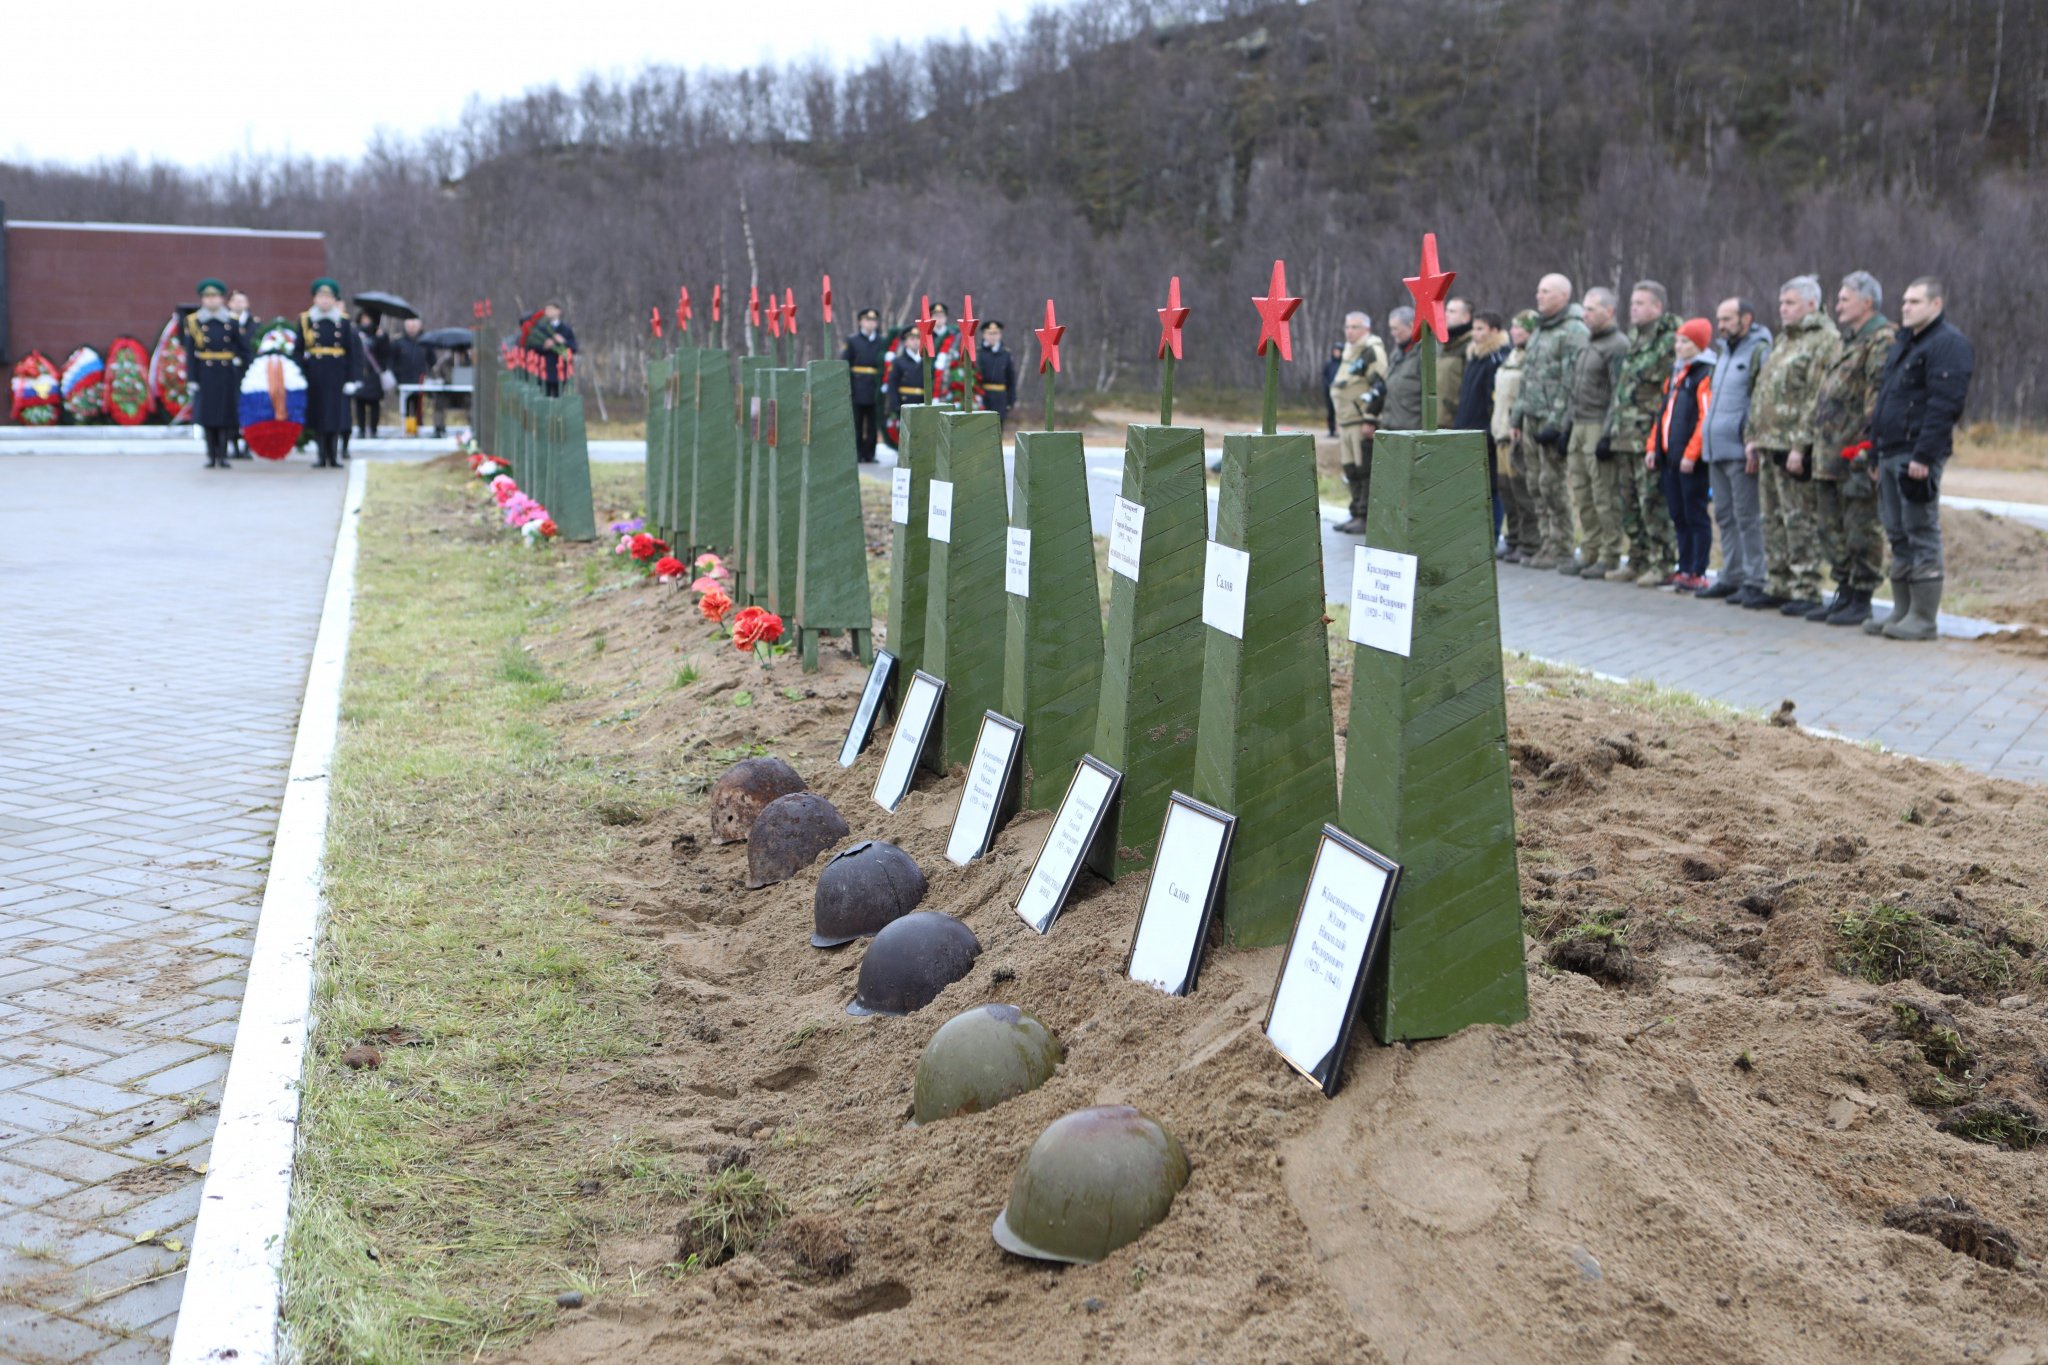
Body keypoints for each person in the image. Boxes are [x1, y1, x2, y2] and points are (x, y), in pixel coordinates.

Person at [1863, 277, 1974, 641]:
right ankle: (1902, 610)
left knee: (1920, 530)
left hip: (1916, 454)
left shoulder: (1948, 345)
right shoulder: (1905, 343)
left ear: (1936, 305)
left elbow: (1945, 405)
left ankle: (1923, 618)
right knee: (1897, 533)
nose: (1905, 307)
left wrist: (1925, 455)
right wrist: (1875, 450)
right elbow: (1885, 401)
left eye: (1914, 301)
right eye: (1904, 300)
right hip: (1891, 450)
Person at [1744, 276, 1842, 615]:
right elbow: (1763, 392)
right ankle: (1779, 582)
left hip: (1793, 447)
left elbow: (1817, 397)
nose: (1782, 309)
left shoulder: (1824, 340)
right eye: (1782, 303)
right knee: (1772, 519)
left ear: (1811, 305)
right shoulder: (1785, 340)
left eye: (1790, 303)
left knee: (1799, 519)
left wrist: (1801, 445)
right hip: (1769, 443)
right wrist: (1752, 436)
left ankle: (1806, 587)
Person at [1808, 271, 1897, 627]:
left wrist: (1868, 446)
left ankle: (1861, 596)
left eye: (1845, 299)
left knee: (1861, 526)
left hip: (1855, 452)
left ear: (1867, 302)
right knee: (1831, 527)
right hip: (1829, 452)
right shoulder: (1848, 340)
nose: (1838, 305)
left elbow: (1877, 396)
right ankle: (1844, 590)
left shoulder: (1881, 339)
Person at [1604, 282, 1681, 587]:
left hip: (1648, 437)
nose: (1633, 307)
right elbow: (1623, 391)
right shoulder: (1635, 339)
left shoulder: (1670, 341)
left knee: (1652, 503)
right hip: (1625, 434)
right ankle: (1636, 559)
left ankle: (1662, 562)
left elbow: (1670, 391)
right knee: (1629, 503)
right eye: (1632, 302)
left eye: (1640, 303)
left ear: (1657, 308)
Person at [1511, 274, 1589, 570]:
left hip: (1552, 420)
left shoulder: (1573, 331)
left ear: (1563, 296)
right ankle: (1545, 543)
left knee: (1552, 484)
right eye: (1538, 290)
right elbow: (1527, 377)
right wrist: (1517, 416)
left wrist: (1556, 423)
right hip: (1531, 417)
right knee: (1534, 484)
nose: (1539, 296)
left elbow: (1571, 382)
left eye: (1545, 291)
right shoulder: (1541, 330)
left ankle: (1562, 545)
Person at [1698, 298, 1772, 604]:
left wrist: (1752, 440)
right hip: (1715, 449)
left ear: (1746, 318)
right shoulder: (1723, 353)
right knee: (1725, 516)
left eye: (1728, 319)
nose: (1721, 325)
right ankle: (1731, 575)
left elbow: (1761, 399)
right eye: (1719, 319)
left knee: (1747, 517)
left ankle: (1756, 578)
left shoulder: (1758, 351)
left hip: (1741, 450)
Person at [1564, 286, 1632, 579]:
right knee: (1582, 492)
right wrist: (1566, 425)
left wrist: (1608, 434)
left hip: (1598, 425)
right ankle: (1589, 550)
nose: (1585, 314)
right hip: (1579, 425)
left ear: (1609, 312)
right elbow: (1574, 388)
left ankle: (1609, 553)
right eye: (1584, 308)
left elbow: (1619, 392)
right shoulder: (1586, 342)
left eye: (1592, 309)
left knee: (1604, 493)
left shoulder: (1617, 345)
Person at [1648, 318, 1718, 592]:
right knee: (1678, 514)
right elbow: (1663, 415)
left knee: (1695, 514)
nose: (1679, 346)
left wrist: (1692, 454)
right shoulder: (1676, 375)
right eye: (1677, 340)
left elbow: (1705, 418)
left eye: (1686, 341)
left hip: (1691, 463)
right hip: (1670, 459)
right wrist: (1653, 448)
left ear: (1699, 344)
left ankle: (1698, 571)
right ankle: (1684, 566)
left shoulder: (1704, 374)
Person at [1328, 311, 1389, 535]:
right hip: (1345, 421)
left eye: (1355, 327)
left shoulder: (1371, 350)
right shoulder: (1348, 351)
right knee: (1350, 469)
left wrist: (1370, 418)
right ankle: (1355, 512)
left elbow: (1380, 386)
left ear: (1366, 329)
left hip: (1360, 421)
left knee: (1365, 470)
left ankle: (1365, 515)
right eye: (1347, 327)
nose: (1349, 332)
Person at [181, 278, 250, 469]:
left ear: (221, 299)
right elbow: (190, 353)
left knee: (225, 416)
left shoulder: (231, 321)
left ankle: (223, 455)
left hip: (227, 374)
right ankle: (211, 454)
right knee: (208, 416)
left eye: (215, 297)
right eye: (207, 297)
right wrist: (192, 379)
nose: (211, 301)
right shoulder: (194, 322)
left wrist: (241, 369)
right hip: (206, 374)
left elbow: (244, 350)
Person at [294, 278, 360, 469]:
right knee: (318, 414)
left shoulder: (343, 321)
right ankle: (321, 455)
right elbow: (298, 350)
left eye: (328, 297)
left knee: (336, 415)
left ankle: (334, 455)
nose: (324, 300)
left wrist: (352, 378)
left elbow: (352, 352)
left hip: (337, 373)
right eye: (320, 296)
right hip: (315, 373)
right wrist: (301, 372)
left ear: (334, 300)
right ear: (314, 299)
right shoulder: (306, 320)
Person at [1456, 310, 1509, 542]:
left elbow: (1492, 401)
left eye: (1481, 329)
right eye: (1474, 329)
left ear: (1495, 331)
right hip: (1466, 431)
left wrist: (1488, 434)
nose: (1475, 334)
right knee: (1471, 489)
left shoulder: (1496, 358)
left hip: (1484, 435)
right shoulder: (1474, 357)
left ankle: (1492, 536)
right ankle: (1473, 535)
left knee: (1491, 489)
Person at [1493, 313, 1537, 560]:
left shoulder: (1531, 358)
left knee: (1522, 492)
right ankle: (1514, 538)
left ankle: (1529, 542)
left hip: (1517, 433)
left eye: (1521, 328)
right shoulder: (1511, 356)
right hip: (1500, 432)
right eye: (1514, 326)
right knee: (1506, 490)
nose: (1514, 331)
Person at [843, 308, 888, 461]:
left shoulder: (881, 341)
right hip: (857, 386)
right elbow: (845, 364)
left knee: (873, 424)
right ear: (861, 322)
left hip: (874, 387)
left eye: (873, 321)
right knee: (857, 422)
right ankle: (857, 453)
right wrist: (848, 386)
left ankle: (870, 453)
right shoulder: (852, 341)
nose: (870, 324)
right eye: (867, 320)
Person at [1378, 306, 1423, 430]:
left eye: (1395, 329)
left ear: (1411, 325)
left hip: (1413, 430)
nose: (1393, 333)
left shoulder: (1424, 353)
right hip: (1391, 427)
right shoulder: (1397, 353)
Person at [391, 315, 432, 434]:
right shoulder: (398, 342)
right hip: (403, 381)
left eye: (414, 324)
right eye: (409, 324)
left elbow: (432, 361)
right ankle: (409, 430)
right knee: (406, 408)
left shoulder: (426, 341)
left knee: (419, 407)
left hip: (420, 381)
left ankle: (418, 429)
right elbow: (392, 362)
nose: (412, 327)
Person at [352, 309, 388, 443]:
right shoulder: (355, 333)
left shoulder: (379, 335)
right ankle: (361, 429)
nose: (366, 321)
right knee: (359, 403)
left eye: (368, 319)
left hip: (374, 374)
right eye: (363, 318)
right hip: (361, 373)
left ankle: (373, 429)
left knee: (375, 404)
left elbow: (385, 354)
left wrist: (382, 338)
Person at [1436, 297, 1473, 428]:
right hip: (1437, 423)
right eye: (1446, 310)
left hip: (1457, 424)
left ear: (1466, 317)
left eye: (1452, 311)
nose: (1446, 314)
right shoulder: (1441, 346)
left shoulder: (1470, 347)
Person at [227, 290, 255, 458]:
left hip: (249, 373)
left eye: (241, 301)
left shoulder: (255, 324)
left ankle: (248, 445)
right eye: (235, 301)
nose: (238, 304)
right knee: (231, 409)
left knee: (249, 408)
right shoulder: (226, 322)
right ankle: (233, 444)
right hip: (230, 372)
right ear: (230, 304)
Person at [528, 300, 577, 397]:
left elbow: (574, 348)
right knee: (544, 398)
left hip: (561, 370)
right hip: (544, 370)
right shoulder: (541, 328)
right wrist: (544, 346)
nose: (548, 312)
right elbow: (532, 347)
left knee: (559, 398)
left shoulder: (566, 329)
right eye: (547, 309)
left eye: (551, 309)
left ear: (558, 311)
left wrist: (563, 342)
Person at [976, 321, 1018, 428]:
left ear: (1000, 335)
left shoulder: (1005, 354)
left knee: (998, 427)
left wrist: (1011, 400)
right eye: (989, 333)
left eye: (995, 333)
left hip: (1000, 397)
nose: (992, 337)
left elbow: (1011, 379)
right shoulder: (978, 353)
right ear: (984, 334)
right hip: (982, 396)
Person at [887, 327, 926, 418]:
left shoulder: (926, 361)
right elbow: (892, 385)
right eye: (912, 339)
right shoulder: (898, 361)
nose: (916, 342)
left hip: (923, 403)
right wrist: (896, 406)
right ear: (905, 342)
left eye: (918, 338)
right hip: (905, 402)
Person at [1321, 344, 1342, 437]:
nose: (1336, 353)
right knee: (1330, 412)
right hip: (1329, 391)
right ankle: (1331, 430)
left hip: (1341, 392)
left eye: (1338, 351)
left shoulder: (1343, 364)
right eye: (1335, 351)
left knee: (1340, 412)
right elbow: (1324, 376)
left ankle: (1340, 430)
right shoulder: (1329, 363)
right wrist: (1327, 385)